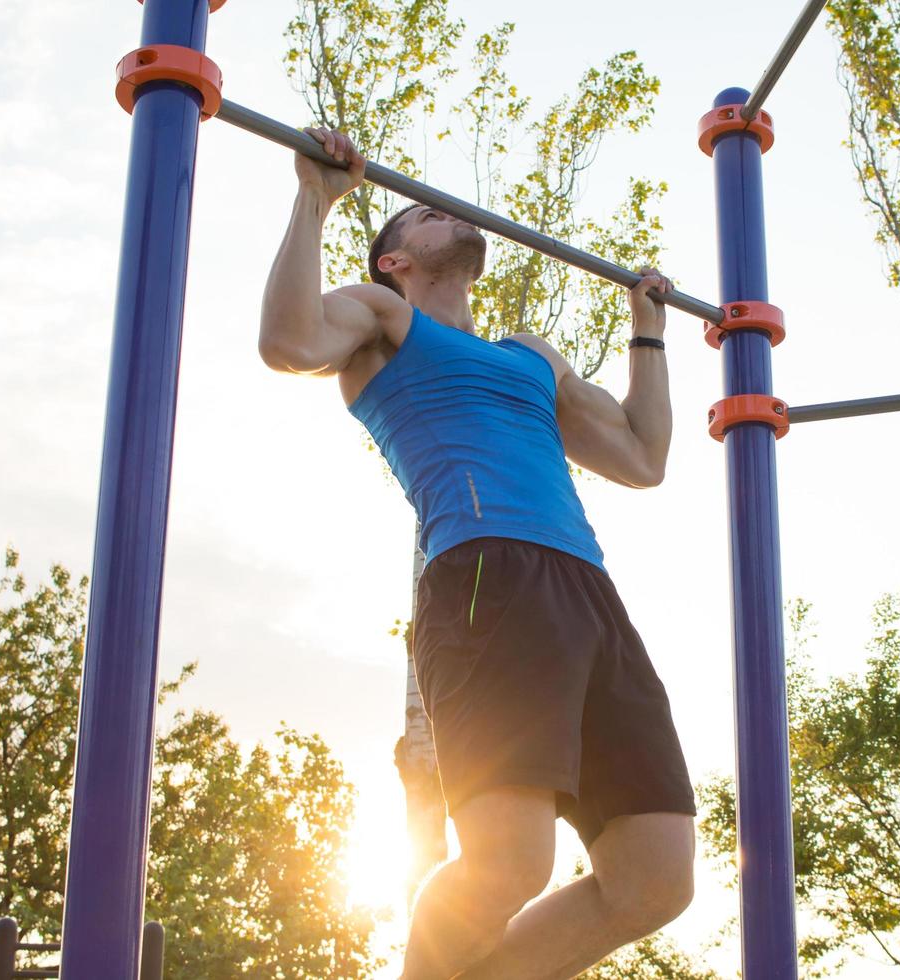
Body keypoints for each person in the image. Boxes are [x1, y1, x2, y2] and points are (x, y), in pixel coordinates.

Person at [259, 127, 696, 980]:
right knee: (509, 862)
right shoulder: (385, 320)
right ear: (397, 262)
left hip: (588, 595)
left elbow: (645, 458)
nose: (441, 214)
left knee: (656, 877)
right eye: (420, 214)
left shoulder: (532, 356)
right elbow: (288, 343)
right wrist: (315, 198)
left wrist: (648, 330)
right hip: (486, 580)